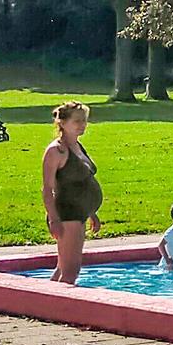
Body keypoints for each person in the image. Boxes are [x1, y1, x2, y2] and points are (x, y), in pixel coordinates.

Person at [42, 102, 103, 285]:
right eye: (77, 121)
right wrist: (54, 219)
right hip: (67, 214)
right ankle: (56, 303)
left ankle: (46, 299)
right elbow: (47, 189)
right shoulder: (56, 151)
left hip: (79, 212)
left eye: (84, 120)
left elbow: (83, 183)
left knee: (62, 268)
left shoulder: (77, 146)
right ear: (62, 122)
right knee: (70, 272)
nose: (82, 125)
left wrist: (91, 212)